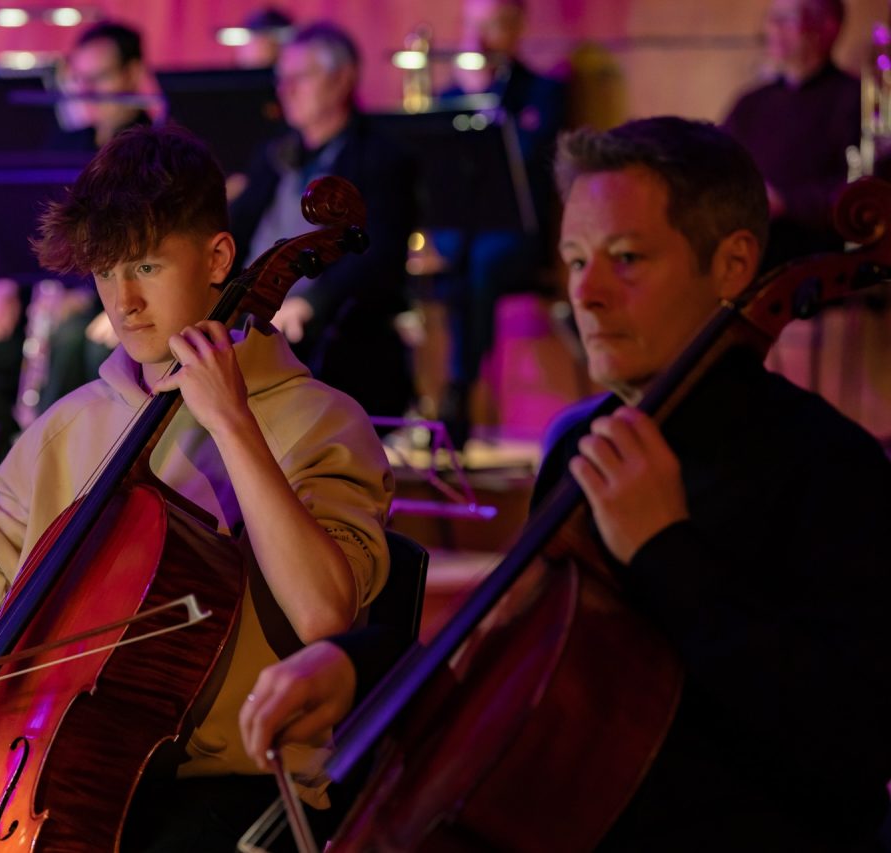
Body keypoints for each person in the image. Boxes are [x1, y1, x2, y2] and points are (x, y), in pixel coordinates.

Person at [240, 116, 891, 849]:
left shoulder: (831, 467)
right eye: (576, 260)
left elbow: (851, 752)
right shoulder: (581, 440)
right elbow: (522, 661)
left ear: (734, 264)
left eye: (627, 257)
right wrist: (359, 666)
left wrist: (663, 549)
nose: (590, 292)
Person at [0, 124, 393, 852]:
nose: (124, 301)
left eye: (147, 266)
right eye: (105, 270)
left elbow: (326, 613)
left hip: (221, 786)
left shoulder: (321, 421)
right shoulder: (68, 426)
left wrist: (233, 425)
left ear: (218, 258)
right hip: (32, 776)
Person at [0, 21, 155, 436]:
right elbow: (27, 227)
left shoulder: (156, 152)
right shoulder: (65, 143)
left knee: (69, 340)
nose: (85, 90)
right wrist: (6, 283)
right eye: (77, 78)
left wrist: (85, 295)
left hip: (101, 299)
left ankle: (50, 455)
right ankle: (10, 443)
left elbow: (146, 246)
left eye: (97, 77)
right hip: (36, 298)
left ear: (133, 74)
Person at [230, 21, 418, 420]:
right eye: (283, 79)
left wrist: (311, 301)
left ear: (343, 79)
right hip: (258, 306)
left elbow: (377, 259)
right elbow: (234, 229)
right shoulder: (274, 155)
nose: (287, 90)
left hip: (331, 321)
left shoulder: (381, 159)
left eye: (302, 77)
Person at [433, 0, 567, 444]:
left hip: (519, 237)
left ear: (515, 29)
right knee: (448, 259)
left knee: (480, 266)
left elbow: (527, 162)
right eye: (473, 28)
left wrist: (485, 100)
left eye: (491, 27)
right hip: (460, 236)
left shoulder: (543, 93)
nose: (479, 41)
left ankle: (459, 390)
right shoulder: (448, 98)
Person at [722, 0, 859, 271]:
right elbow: (713, 161)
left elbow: (863, 189)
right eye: (772, 18)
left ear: (828, 27)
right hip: (745, 249)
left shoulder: (854, 99)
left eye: (787, 19)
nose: (773, 28)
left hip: (814, 263)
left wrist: (786, 202)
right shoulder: (751, 103)